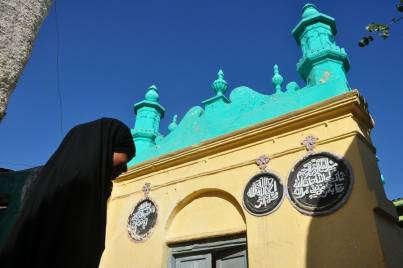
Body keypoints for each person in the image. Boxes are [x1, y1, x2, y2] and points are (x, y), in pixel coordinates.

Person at [0, 118, 135, 267]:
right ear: (99, 149)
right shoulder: (31, 185)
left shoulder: (90, 202)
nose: (124, 169)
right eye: (123, 160)